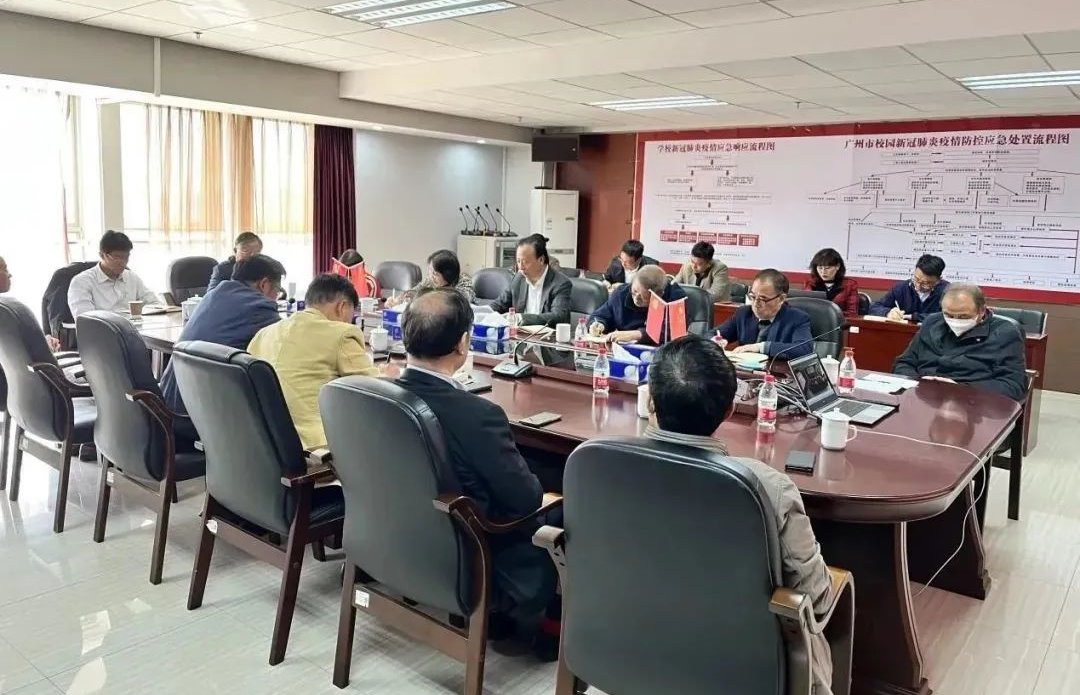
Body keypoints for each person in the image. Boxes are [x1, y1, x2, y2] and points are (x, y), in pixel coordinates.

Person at [644, 334, 834, 694]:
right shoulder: (768, 487)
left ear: (650, 401)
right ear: (730, 410)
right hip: (740, 667)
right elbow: (818, 599)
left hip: (629, 640)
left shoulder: (599, 461)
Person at [394, 288, 557, 658]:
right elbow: (526, 500)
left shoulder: (379, 395)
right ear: (463, 344)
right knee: (561, 494)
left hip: (400, 536)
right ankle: (551, 624)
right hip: (471, 552)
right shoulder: (478, 415)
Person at [248, 273, 380, 449]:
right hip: (315, 447)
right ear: (342, 307)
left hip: (263, 443)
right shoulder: (341, 333)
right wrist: (387, 373)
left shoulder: (263, 334)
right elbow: (375, 389)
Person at [159, 255, 285, 416]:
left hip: (171, 405)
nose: (276, 298)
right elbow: (286, 345)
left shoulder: (213, 295)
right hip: (200, 417)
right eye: (277, 291)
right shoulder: (260, 308)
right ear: (264, 284)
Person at [893, 283, 1026, 401]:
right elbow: (904, 363)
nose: (955, 321)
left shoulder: (1004, 332)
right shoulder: (932, 322)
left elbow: (1013, 385)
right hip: (925, 397)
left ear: (981, 311)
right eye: (949, 315)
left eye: (963, 316)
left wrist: (959, 389)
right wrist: (918, 383)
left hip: (973, 403)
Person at [716, 269, 813, 357]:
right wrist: (716, 340)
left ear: (781, 299)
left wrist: (761, 347)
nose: (755, 304)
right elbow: (715, 333)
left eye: (763, 299)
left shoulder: (797, 318)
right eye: (752, 297)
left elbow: (804, 349)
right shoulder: (744, 313)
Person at [68, 230, 159, 318]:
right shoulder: (82, 282)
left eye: (126, 257)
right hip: (102, 328)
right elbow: (85, 320)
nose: (122, 262)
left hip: (133, 327)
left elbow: (155, 304)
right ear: (102, 255)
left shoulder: (132, 278)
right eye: (117, 257)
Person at [588, 265, 687, 344]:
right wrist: (599, 324)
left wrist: (636, 335)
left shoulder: (676, 299)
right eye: (634, 291)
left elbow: (672, 333)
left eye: (643, 297)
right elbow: (602, 314)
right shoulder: (622, 293)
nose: (636, 299)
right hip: (622, 349)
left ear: (659, 294)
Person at [489, 234, 571, 327]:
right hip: (519, 334)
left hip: (545, 335)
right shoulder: (519, 278)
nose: (521, 267)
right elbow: (499, 305)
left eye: (525, 262)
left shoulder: (560, 283)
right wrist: (483, 312)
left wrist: (521, 318)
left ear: (541, 260)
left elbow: (559, 316)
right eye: (518, 261)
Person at [869, 254, 948, 322]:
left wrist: (913, 317)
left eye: (925, 283)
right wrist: (888, 312)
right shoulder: (901, 288)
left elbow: (947, 317)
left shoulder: (948, 292)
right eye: (916, 279)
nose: (918, 286)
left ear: (939, 280)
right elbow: (874, 307)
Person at [386, 249, 475, 307]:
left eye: (435, 274)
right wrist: (397, 301)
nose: (431, 276)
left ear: (447, 274)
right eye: (429, 270)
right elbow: (413, 293)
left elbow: (459, 302)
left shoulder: (464, 281)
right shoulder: (430, 280)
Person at [805, 248, 859, 317]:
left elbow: (852, 313)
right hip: (814, 321)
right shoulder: (810, 283)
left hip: (839, 322)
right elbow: (804, 307)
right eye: (820, 268)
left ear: (838, 266)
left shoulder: (849, 285)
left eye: (827, 268)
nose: (823, 272)